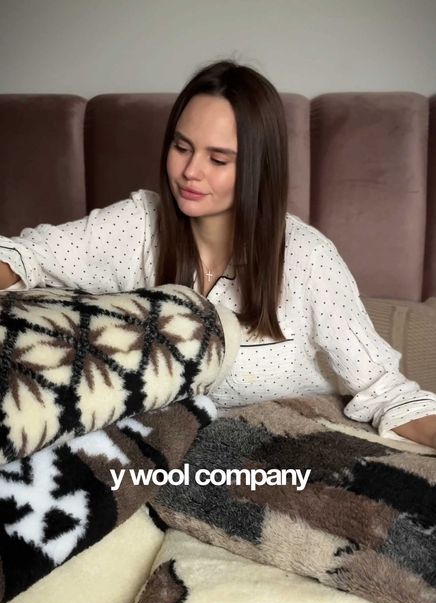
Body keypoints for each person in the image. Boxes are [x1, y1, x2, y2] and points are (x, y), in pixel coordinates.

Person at [1, 59, 436, 447]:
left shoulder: (308, 258)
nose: (191, 171)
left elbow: (385, 391)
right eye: (181, 147)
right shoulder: (139, 224)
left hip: (280, 456)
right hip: (154, 454)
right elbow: (25, 257)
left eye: (219, 159)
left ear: (258, 167)